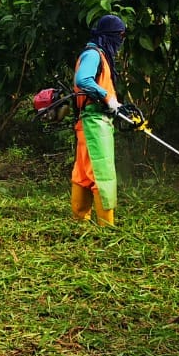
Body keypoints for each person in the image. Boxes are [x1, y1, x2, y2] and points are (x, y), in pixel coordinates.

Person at [71, 14, 140, 225]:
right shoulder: (94, 54)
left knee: (83, 171)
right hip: (94, 122)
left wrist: (115, 106)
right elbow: (82, 79)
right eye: (119, 35)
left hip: (92, 121)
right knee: (103, 173)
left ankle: (80, 220)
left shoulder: (100, 55)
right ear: (109, 35)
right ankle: (106, 225)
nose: (120, 40)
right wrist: (108, 98)